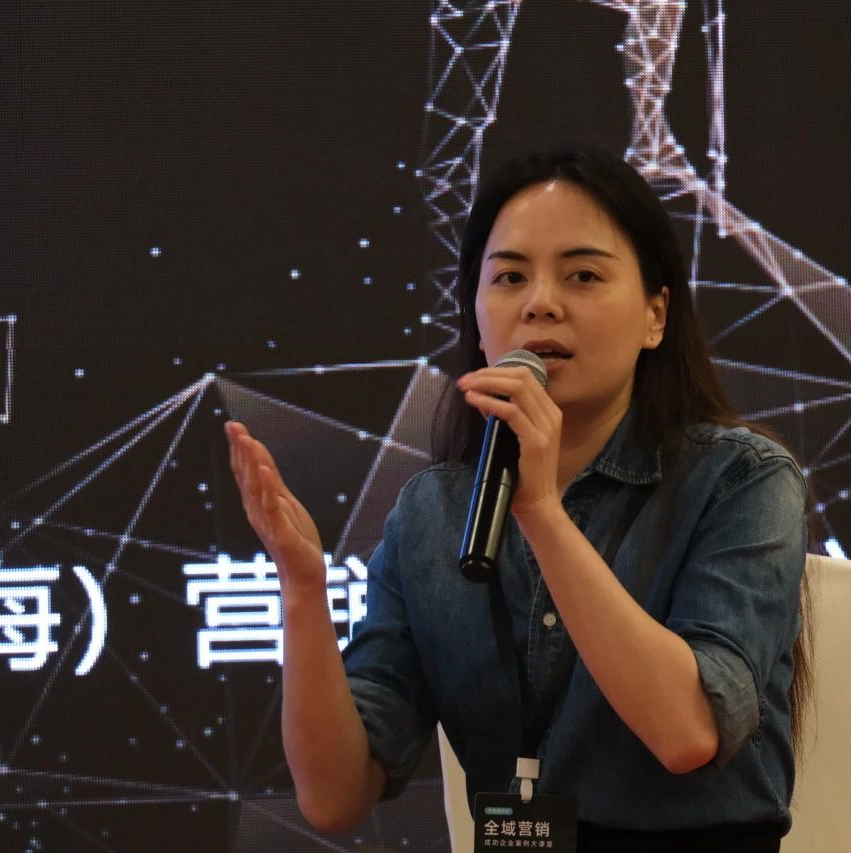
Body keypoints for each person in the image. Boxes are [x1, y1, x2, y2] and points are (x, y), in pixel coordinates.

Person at [225, 146, 810, 851]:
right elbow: (333, 798)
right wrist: (302, 589)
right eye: (508, 277)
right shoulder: (433, 514)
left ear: (656, 315)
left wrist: (539, 512)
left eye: (583, 275)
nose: (540, 303)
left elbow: (687, 731)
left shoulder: (743, 480)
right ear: (477, 319)